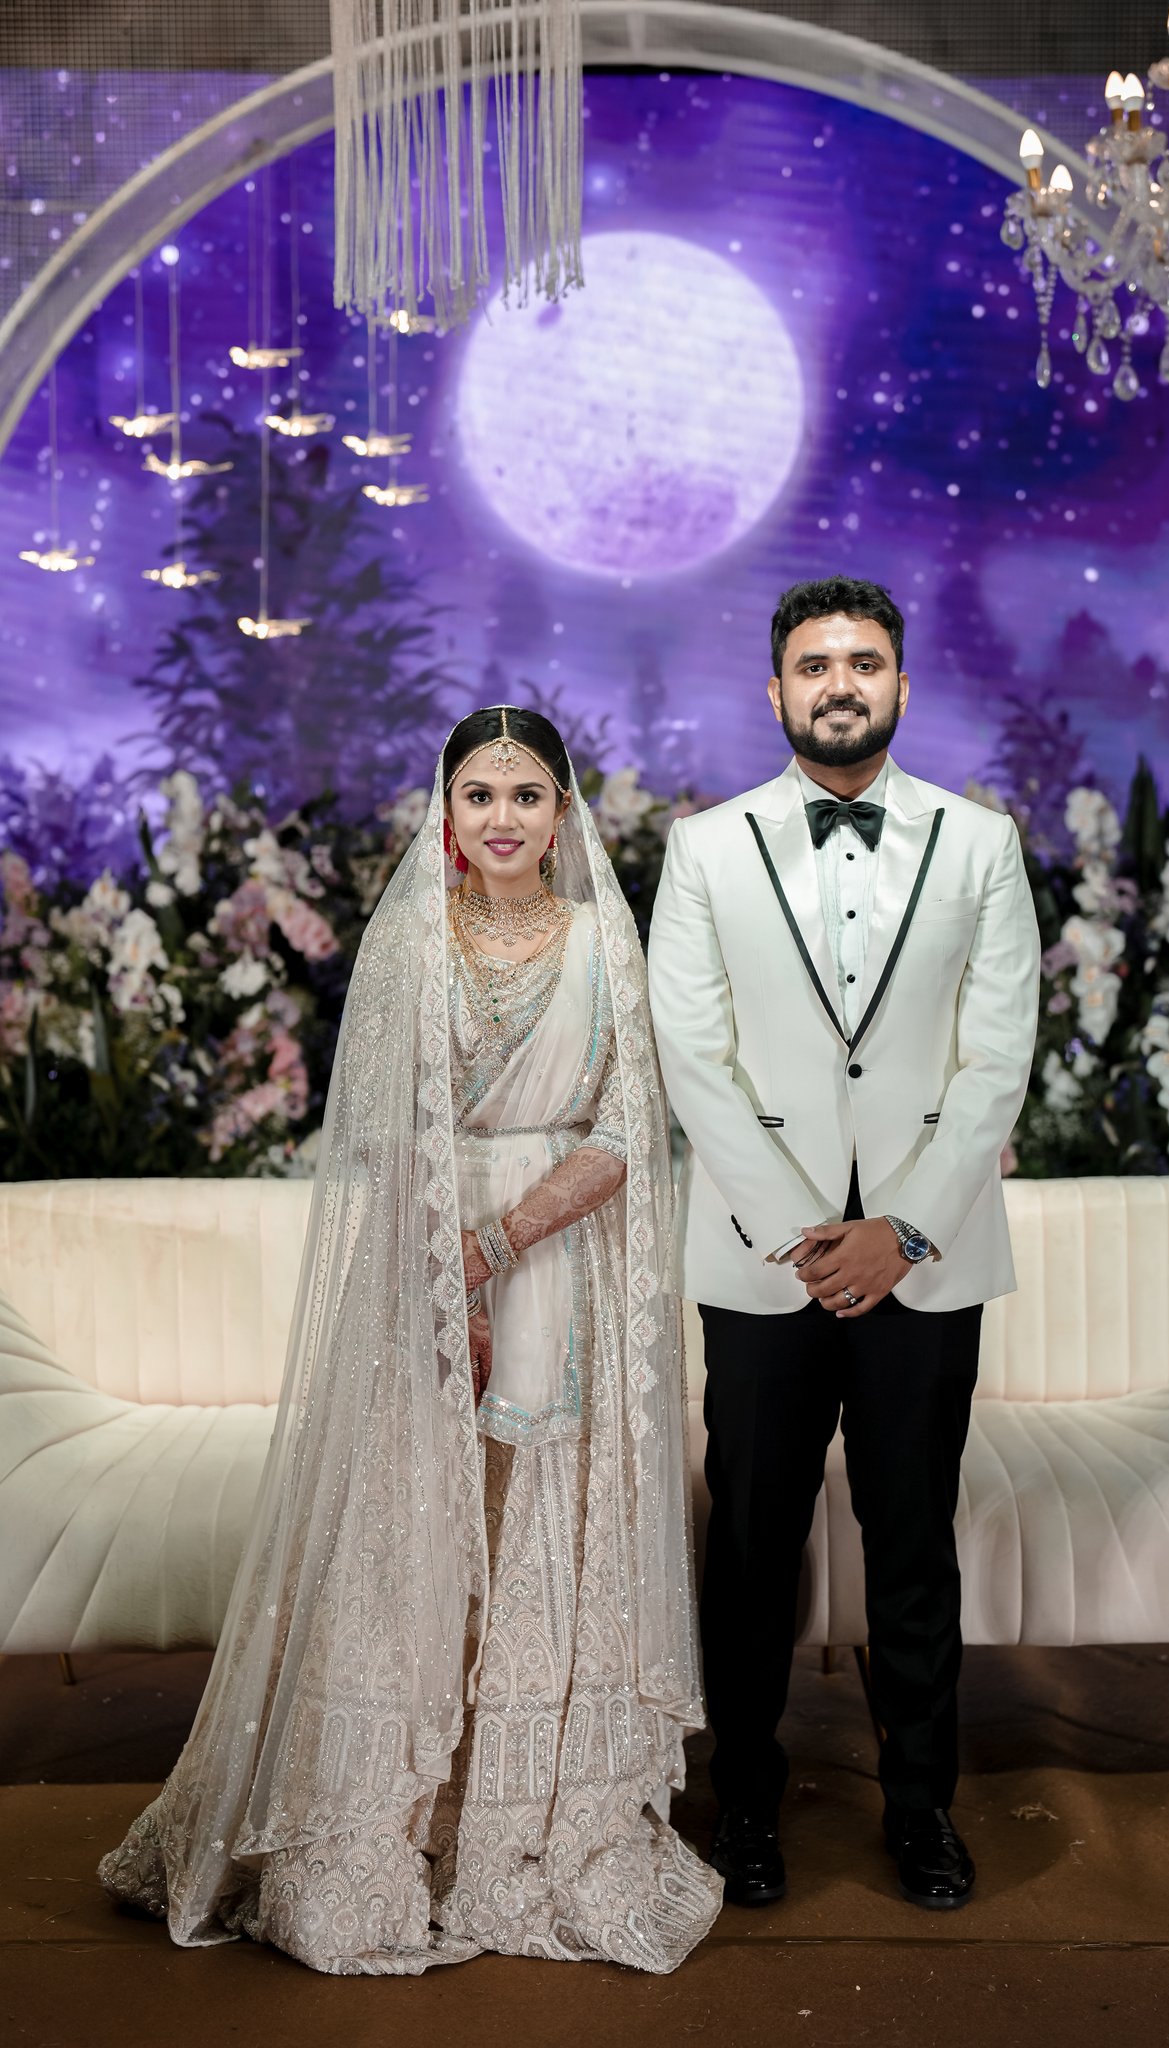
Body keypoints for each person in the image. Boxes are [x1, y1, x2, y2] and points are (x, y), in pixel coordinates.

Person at [99, 706, 722, 1975]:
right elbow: (385, 1131)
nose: (503, 817)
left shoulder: (604, 939)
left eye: (527, 794)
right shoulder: (410, 943)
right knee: (415, 1524)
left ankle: (521, 1822)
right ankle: (395, 1818)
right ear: (447, 811)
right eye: (478, 793)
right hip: (414, 1268)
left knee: (537, 1522)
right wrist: (452, 1280)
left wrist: (498, 1246)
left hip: (562, 1272)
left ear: (563, 814)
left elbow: (628, 1126)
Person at [647, 577, 1040, 1913]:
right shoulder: (704, 849)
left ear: (901, 686)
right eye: (813, 664)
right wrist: (808, 1239)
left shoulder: (980, 844)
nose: (838, 683)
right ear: (775, 691)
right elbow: (692, 1057)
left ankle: (921, 1809)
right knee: (750, 1548)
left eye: (863, 662)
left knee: (912, 1543)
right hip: (762, 1263)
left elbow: (995, 1059)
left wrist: (903, 1232)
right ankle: (744, 1807)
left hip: (929, 1262)